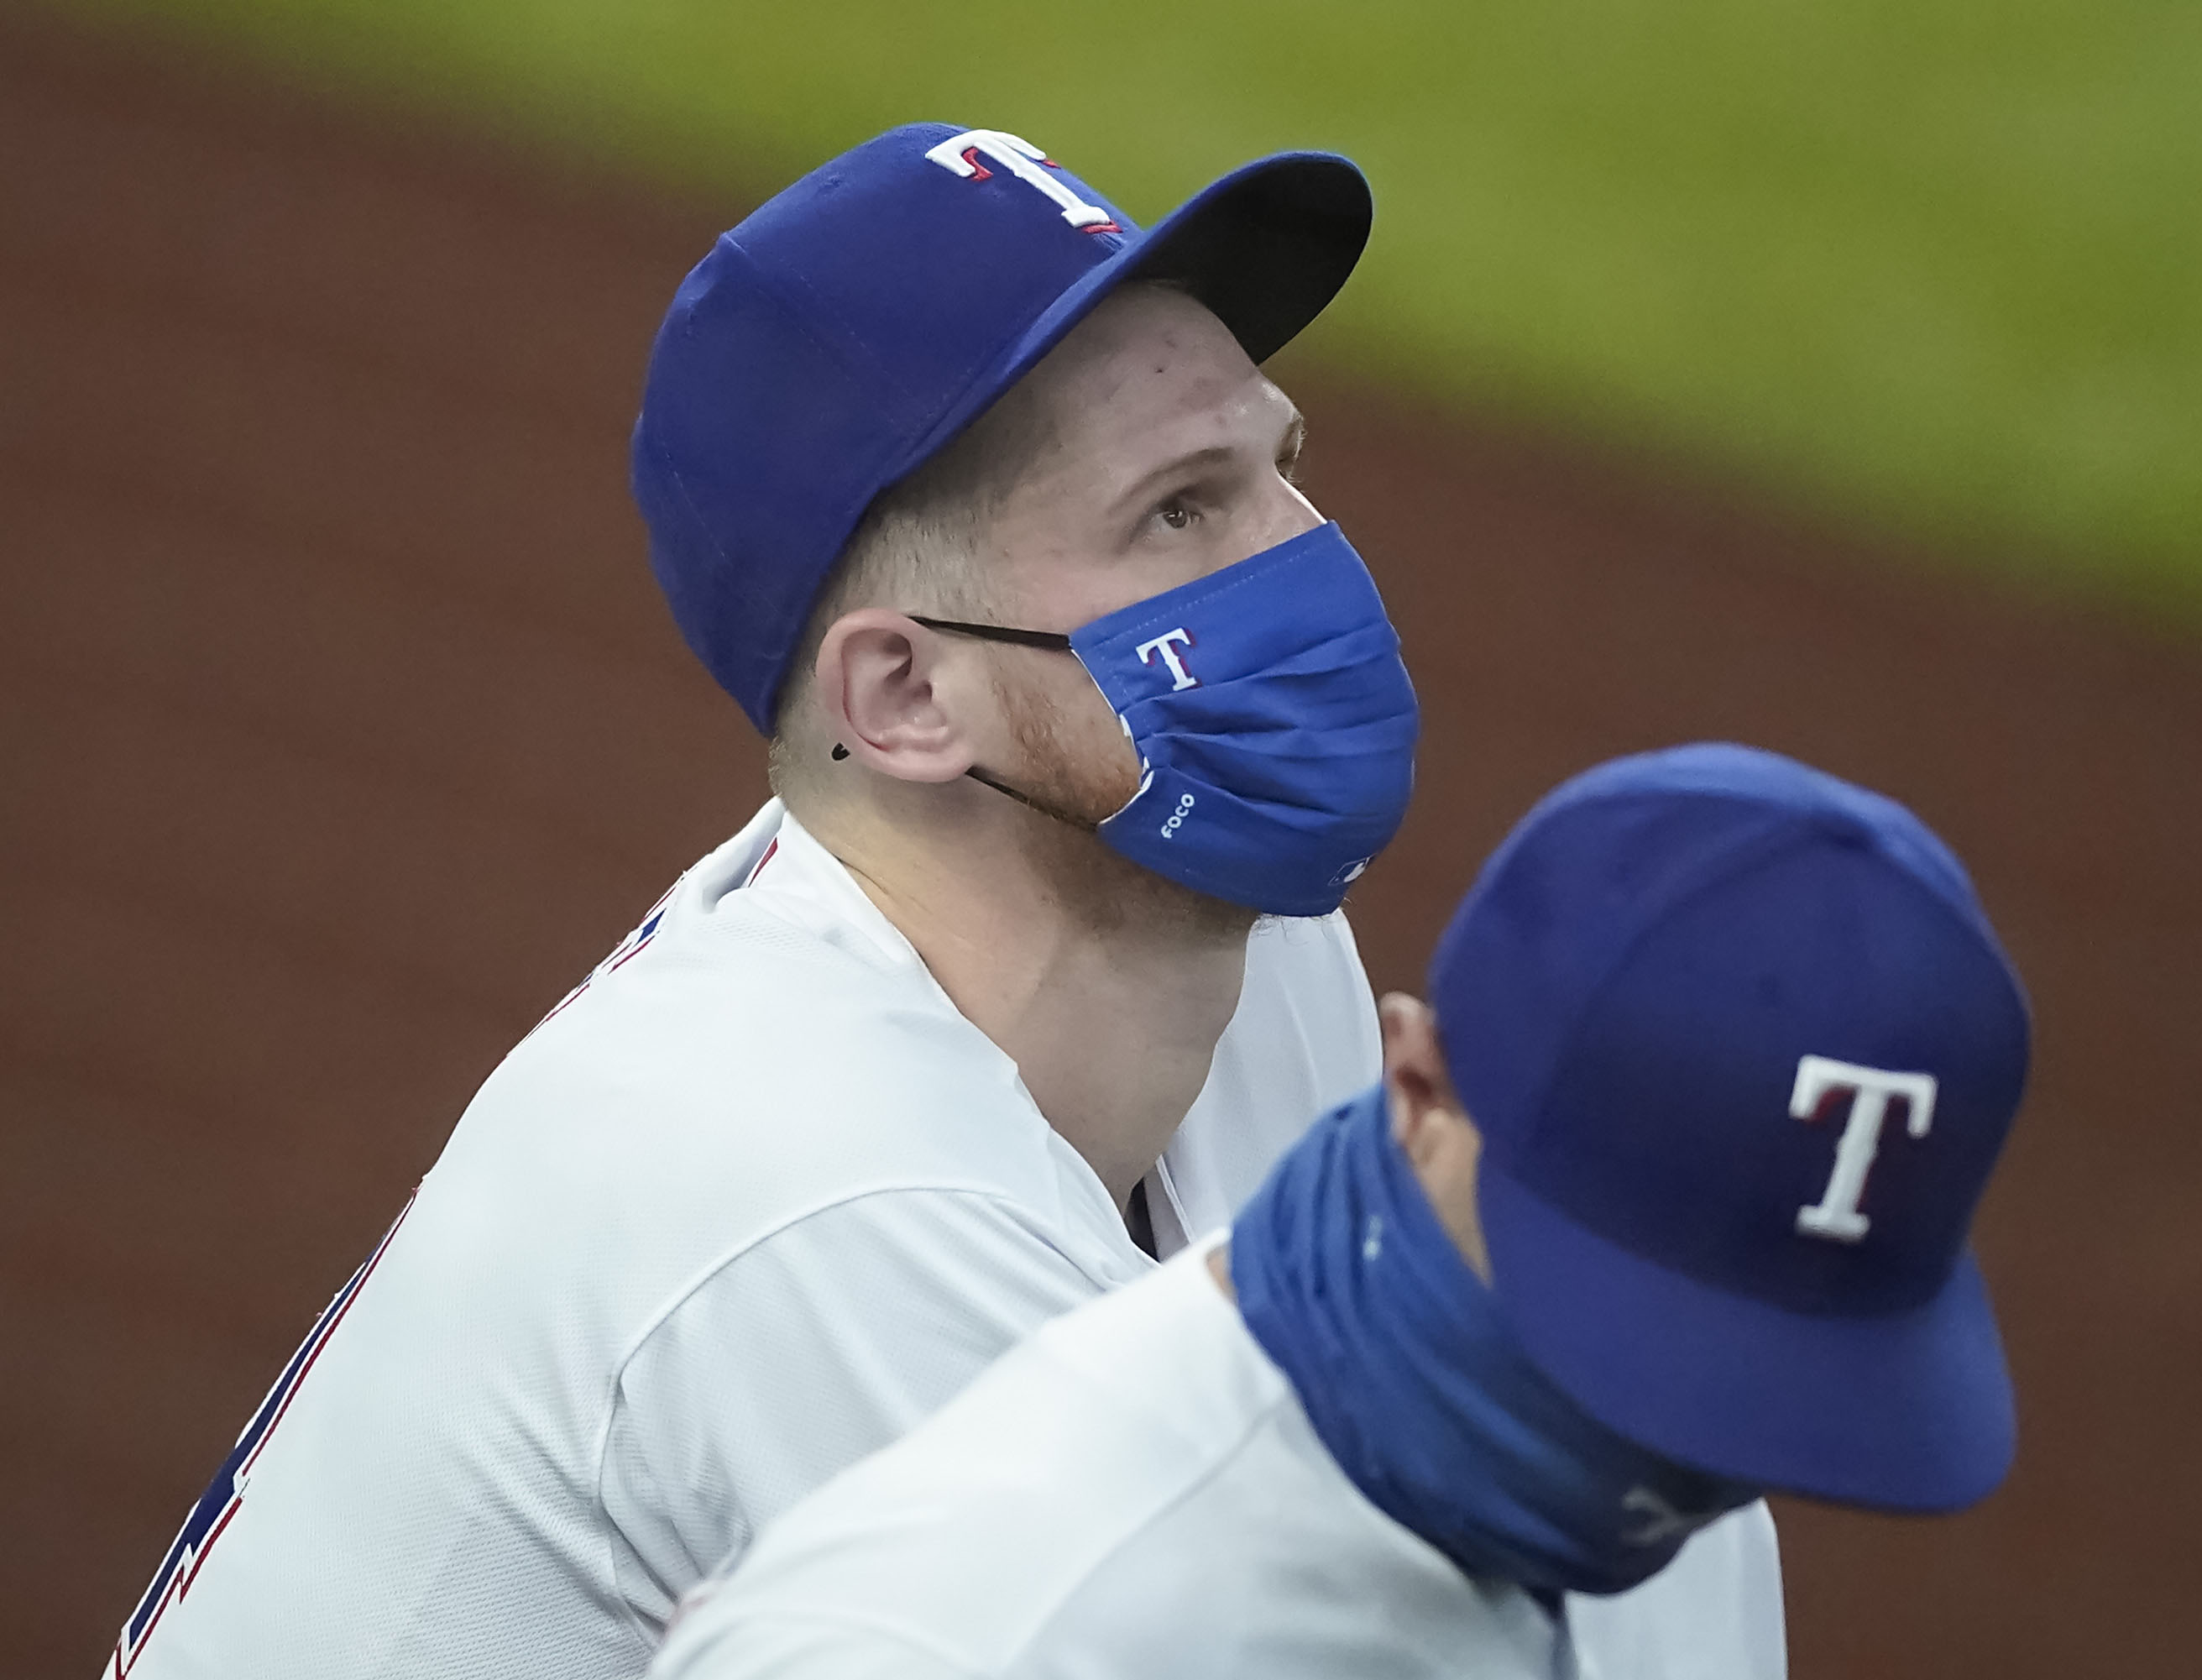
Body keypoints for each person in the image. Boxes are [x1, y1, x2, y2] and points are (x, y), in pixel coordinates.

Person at [103, 128, 1775, 1678]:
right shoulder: (826, 1193)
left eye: (1280, 464)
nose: (1309, 555)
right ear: (904, 696)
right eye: (1180, 511)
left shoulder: (1240, 947)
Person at [649, 744, 2034, 1680]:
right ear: (1417, 1087)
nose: (1689, 1446)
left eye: (1755, 1366)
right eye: (1633, 1320)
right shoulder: (984, 1627)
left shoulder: (1680, 1477)